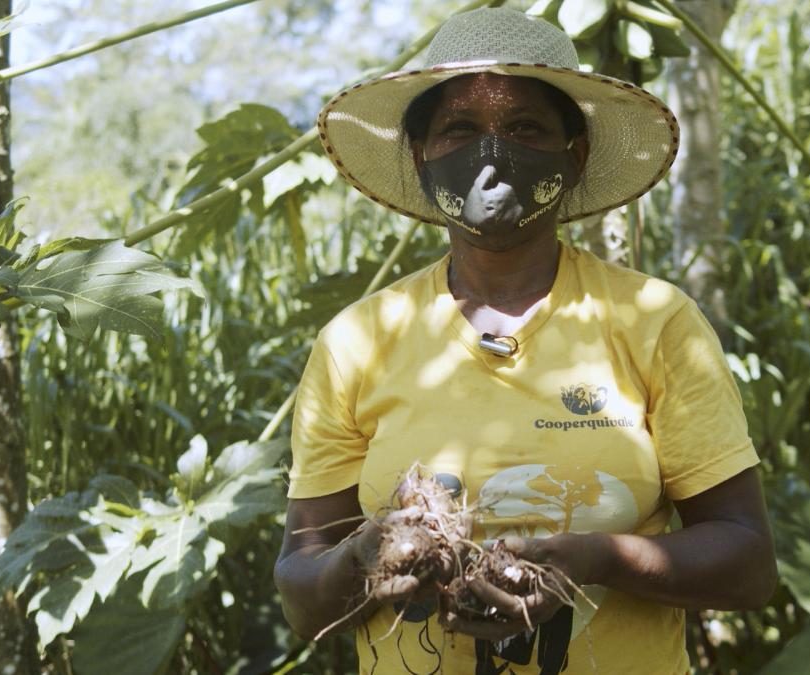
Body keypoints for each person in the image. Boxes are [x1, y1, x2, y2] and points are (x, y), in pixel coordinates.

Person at [274, 7, 776, 674]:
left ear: (575, 156)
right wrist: (361, 558)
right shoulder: (356, 343)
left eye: (523, 128)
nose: (492, 152)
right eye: (460, 129)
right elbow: (302, 596)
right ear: (421, 157)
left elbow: (749, 564)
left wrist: (595, 559)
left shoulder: (654, 320)